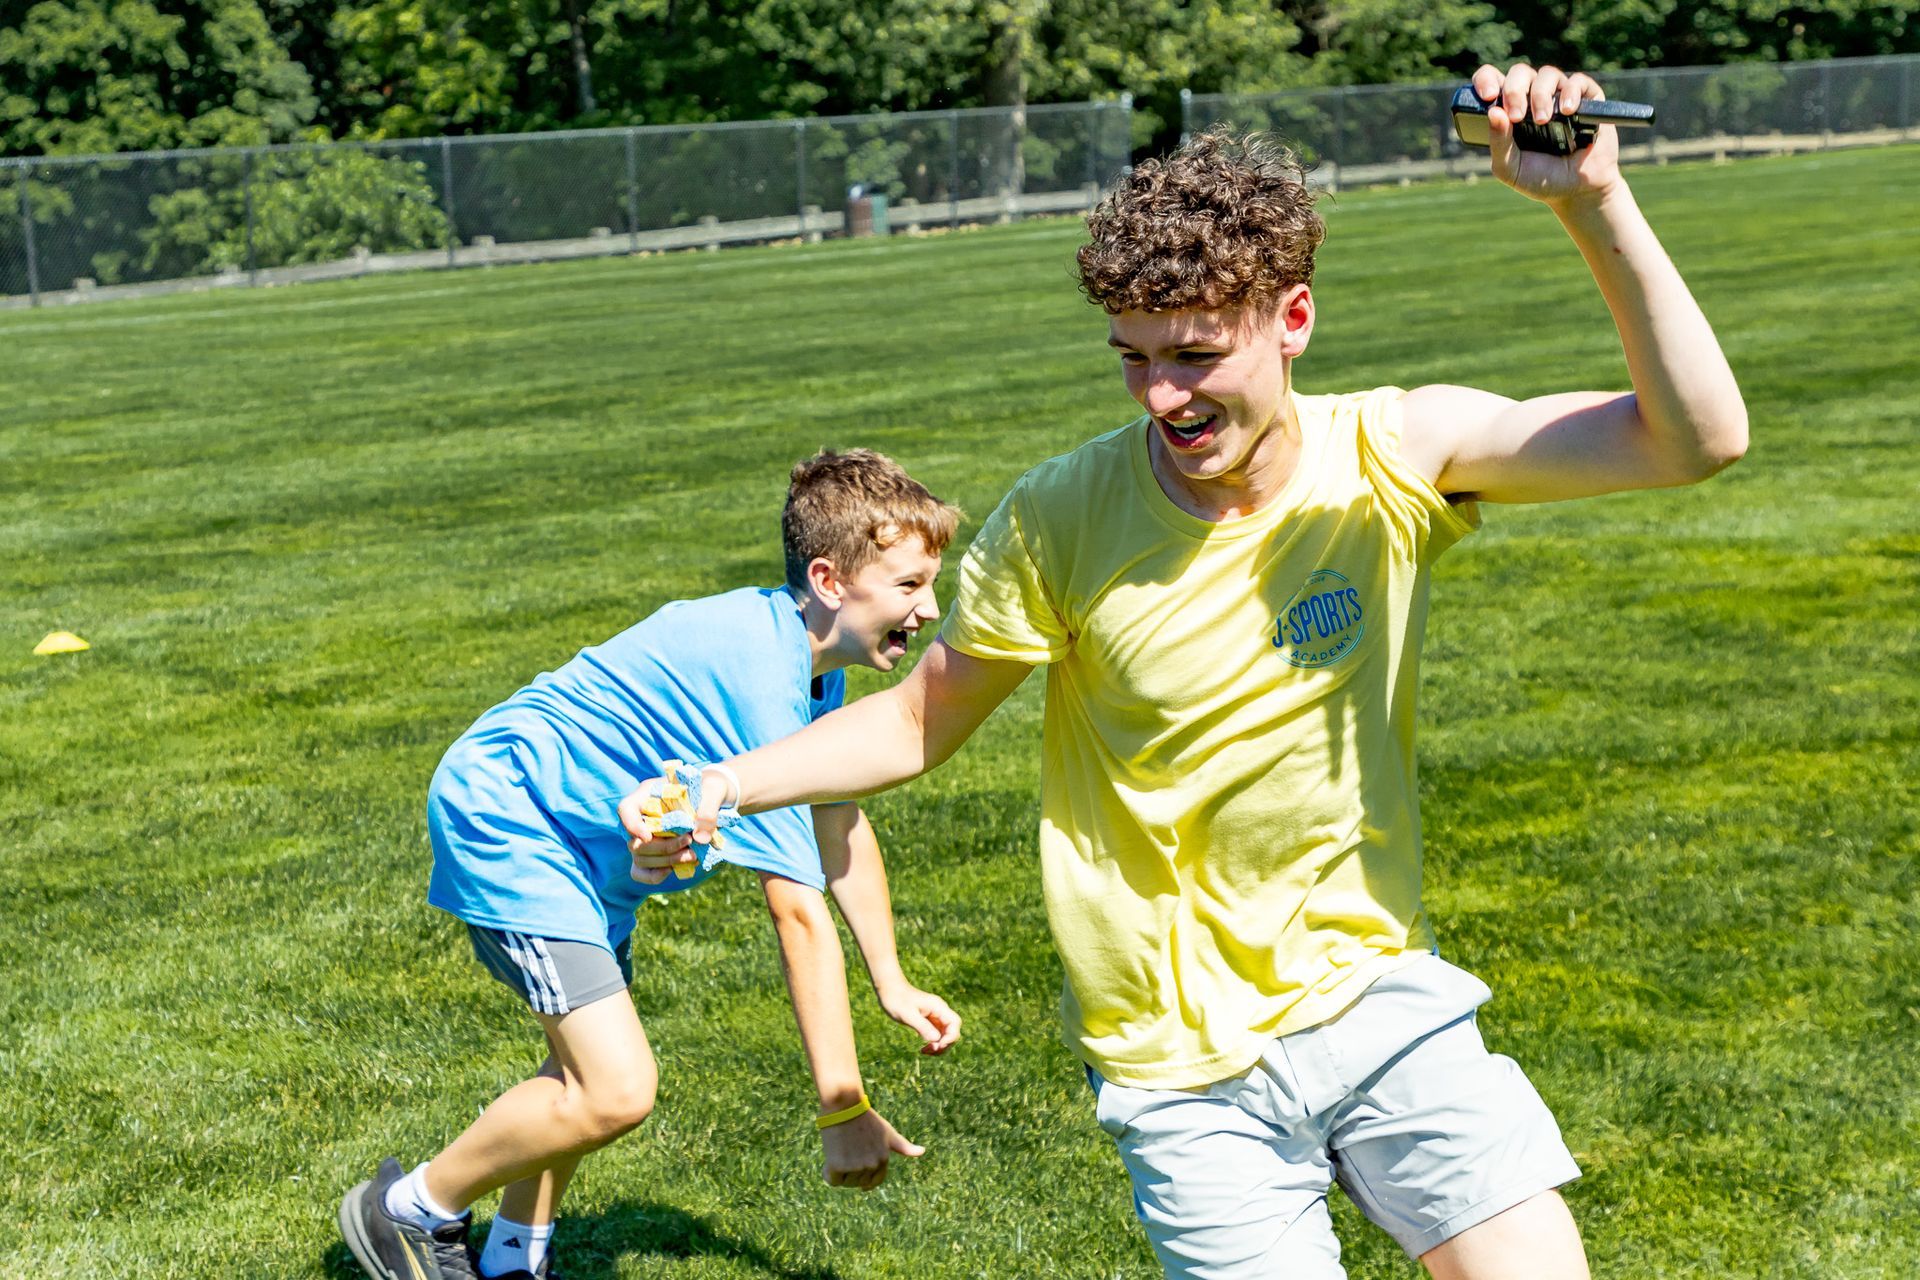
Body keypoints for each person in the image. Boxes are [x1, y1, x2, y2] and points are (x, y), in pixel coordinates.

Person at [627, 62, 1746, 1279]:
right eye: (1133, 356)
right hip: (1175, 1065)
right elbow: (914, 722)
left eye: (1197, 355)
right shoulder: (1060, 515)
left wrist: (1591, 203)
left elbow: (1693, 437)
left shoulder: (1397, 450)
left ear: (1295, 320)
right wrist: (722, 786)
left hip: (1377, 998)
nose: (1163, 394)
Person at [339, 448, 965, 1280]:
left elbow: (837, 819)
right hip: (515, 820)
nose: (928, 608)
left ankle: (512, 1261)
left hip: (583, 847)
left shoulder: (810, 670)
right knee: (616, 1088)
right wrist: (840, 1105)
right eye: (910, 585)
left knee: (579, 1070)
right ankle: (409, 1207)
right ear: (829, 578)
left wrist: (890, 978)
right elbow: (798, 909)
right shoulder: (761, 675)